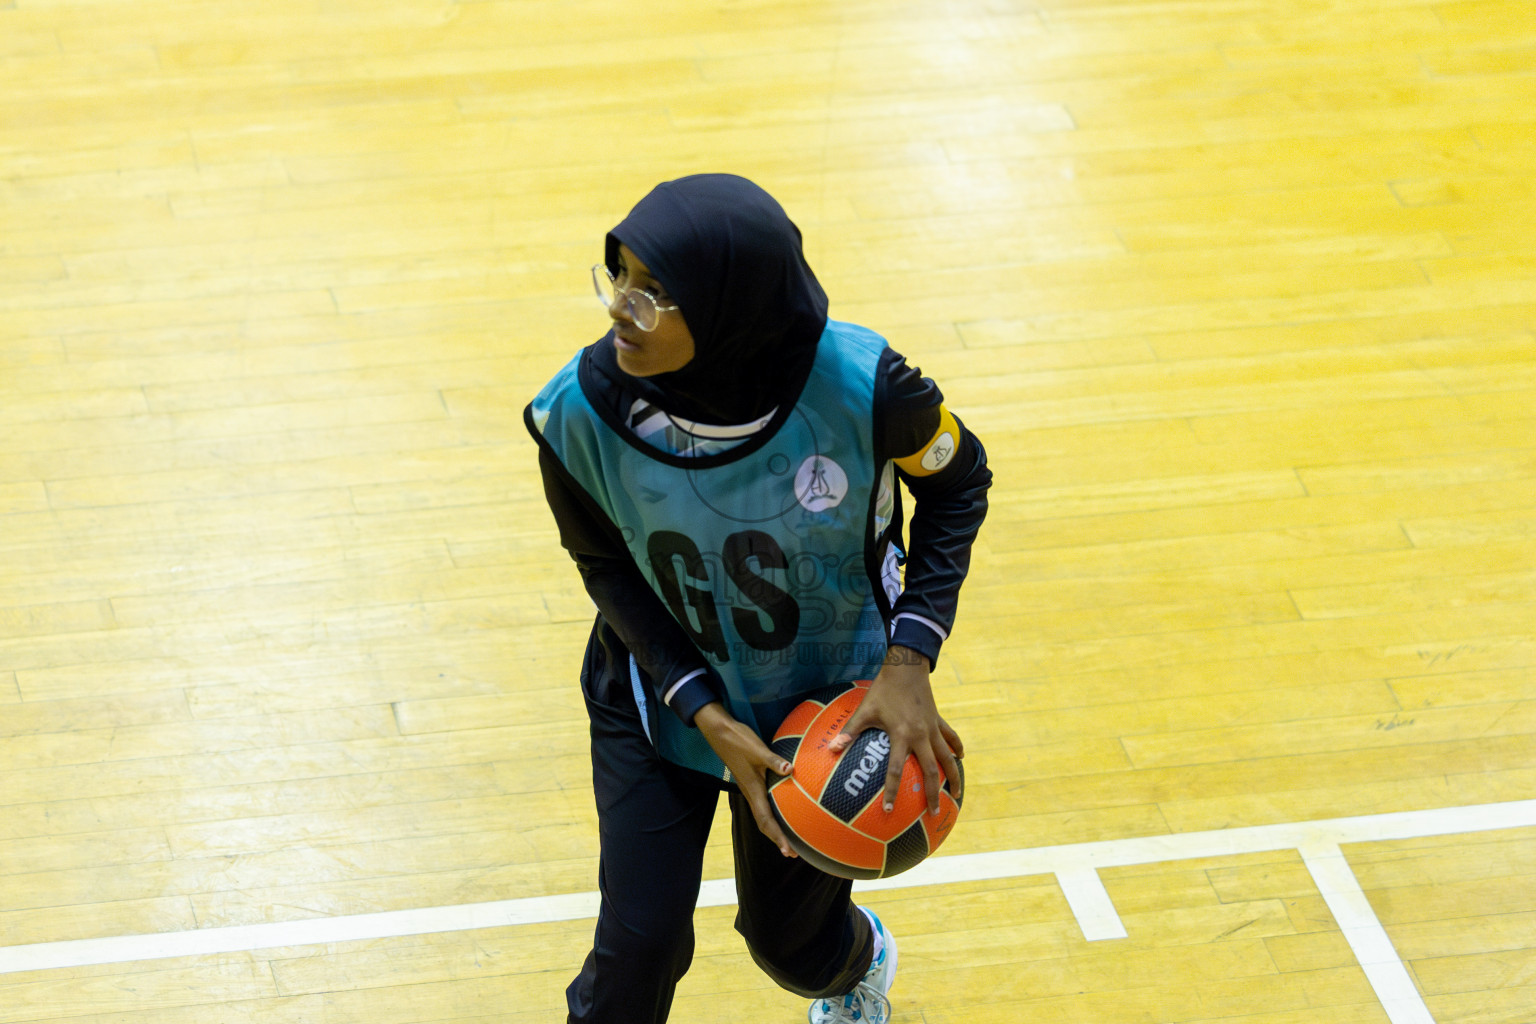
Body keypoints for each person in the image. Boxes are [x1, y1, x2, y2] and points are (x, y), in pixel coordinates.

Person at [525, 174, 990, 1024]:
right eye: (619, 275)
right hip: (661, 693)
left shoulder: (868, 387)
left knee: (793, 948)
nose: (621, 309)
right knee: (637, 955)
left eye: (657, 292)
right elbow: (603, 565)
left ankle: (859, 963)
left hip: (820, 703)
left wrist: (910, 659)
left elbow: (960, 484)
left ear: (734, 306)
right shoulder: (578, 412)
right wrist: (700, 706)